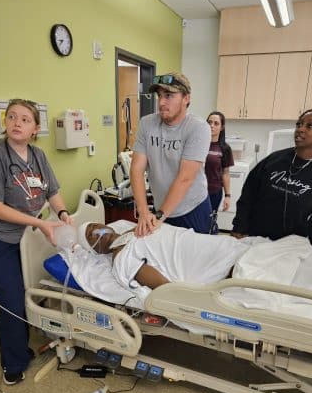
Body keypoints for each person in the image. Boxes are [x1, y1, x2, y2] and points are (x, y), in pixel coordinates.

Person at [0, 98, 71, 385]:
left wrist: (64, 214)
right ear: (6, 123)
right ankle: (13, 365)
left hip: (25, 239)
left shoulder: (38, 156)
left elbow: (52, 191)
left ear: (35, 129)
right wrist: (41, 222)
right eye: (12, 117)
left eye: (25, 119)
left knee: (28, 290)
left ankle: (21, 345)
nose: (17, 123)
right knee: (12, 300)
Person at [231, 109, 312, 256]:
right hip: (254, 237)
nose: (300, 129)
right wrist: (239, 227)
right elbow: (248, 195)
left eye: (309, 126)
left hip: (291, 248)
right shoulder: (274, 159)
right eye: (299, 124)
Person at [130, 72, 212, 237]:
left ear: (186, 98)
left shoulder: (198, 127)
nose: (161, 102)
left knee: (193, 260)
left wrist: (159, 215)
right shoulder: (147, 124)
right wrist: (144, 211)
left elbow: (185, 178)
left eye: (169, 95)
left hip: (193, 210)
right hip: (161, 209)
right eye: (159, 96)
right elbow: (136, 169)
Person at [78, 221, 248, 291]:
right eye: (90, 235)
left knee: (245, 252)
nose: (96, 231)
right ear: (96, 250)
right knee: (245, 267)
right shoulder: (121, 258)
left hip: (209, 244)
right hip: (206, 263)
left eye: (94, 225)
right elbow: (164, 287)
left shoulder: (139, 226)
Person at [205, 111, 234, 232]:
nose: (212, 125)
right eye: (209, 122)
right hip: (196, 191)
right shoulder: (198, 143)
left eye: (216, 123)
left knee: (209, 221)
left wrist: (227, 196)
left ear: (222, 127)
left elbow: (226, 173)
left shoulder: (225, 148)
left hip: (214, 192)